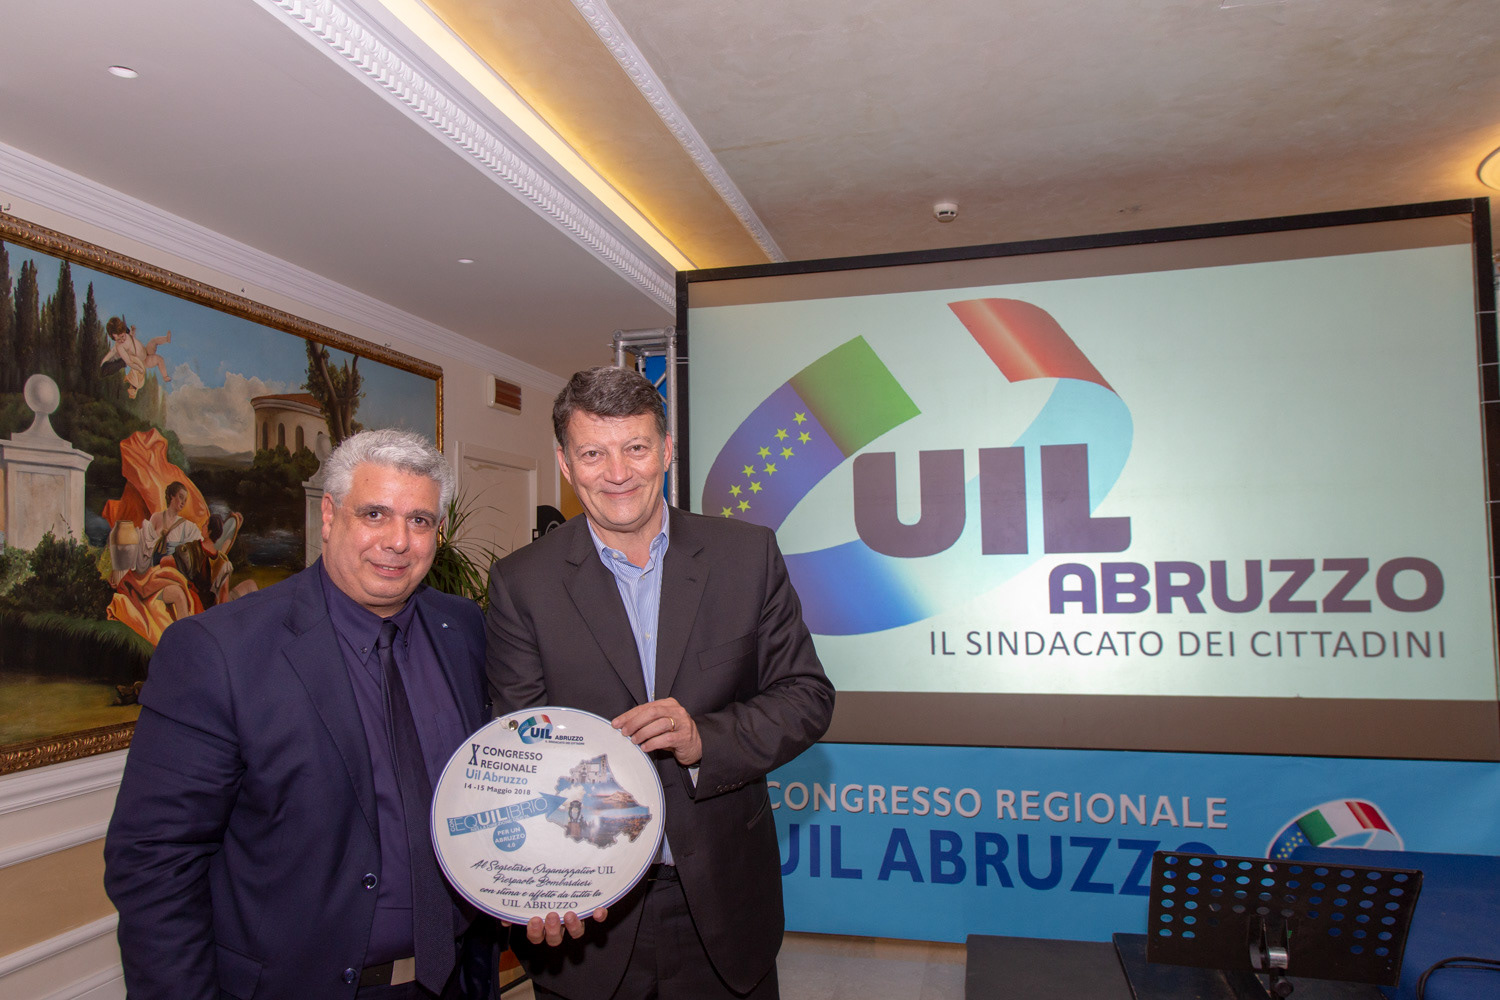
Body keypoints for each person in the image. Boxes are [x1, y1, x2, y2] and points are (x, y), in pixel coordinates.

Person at [486, 366, 835, 999]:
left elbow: (806, 697)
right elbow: (521, 751)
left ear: (667, 450)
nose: (617, 472)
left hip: (726, 911)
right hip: (588, 917)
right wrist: (535, 880)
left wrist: (704, 739)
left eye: (636, 447)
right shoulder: (522, 584)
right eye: (593, 453)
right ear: (565, 463)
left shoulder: (746, 556)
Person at [105, 429, 492, 1000]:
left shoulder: (461, 628)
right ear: (330, 516)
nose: (397, 541)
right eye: (375, 514)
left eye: (420, 521)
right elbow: (155, 864)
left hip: (455, 981)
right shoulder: (218, 652)